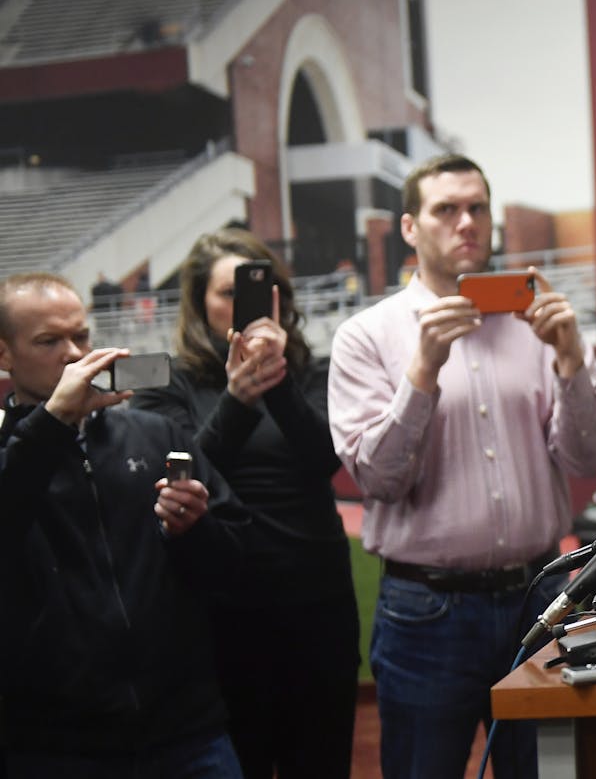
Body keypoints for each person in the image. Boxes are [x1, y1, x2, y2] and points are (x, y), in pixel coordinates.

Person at [327, 153, 596, 779]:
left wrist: (570, 358)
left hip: (541, 599)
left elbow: (589, 456)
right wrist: (423, 370)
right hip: (427, 613)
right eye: (446, 209)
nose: (466, 222)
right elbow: (378, 481)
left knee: (550, 772)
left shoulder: (540, 324)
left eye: (477, 208)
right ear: (410, 228)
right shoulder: (366, 337)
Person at [130, 229, 359, 779]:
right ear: (198, 304)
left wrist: (272, 380)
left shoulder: (311, 370)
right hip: (220, 610)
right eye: (226, 294)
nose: (242, 306)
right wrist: (235, 398)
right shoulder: (167, 378)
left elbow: (323, 460)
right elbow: (181, 471)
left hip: (316, 602)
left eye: (259, 290)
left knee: (321, 763)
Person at [0, 272, 245, 778]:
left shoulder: (156, 434)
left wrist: (192, 529)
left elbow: (235, 564)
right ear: (4, 356)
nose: (73, 354)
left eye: (81, 336)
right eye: (49, 341)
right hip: (57, 746)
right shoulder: (12, 454)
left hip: (187, 730)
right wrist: (50, 425)